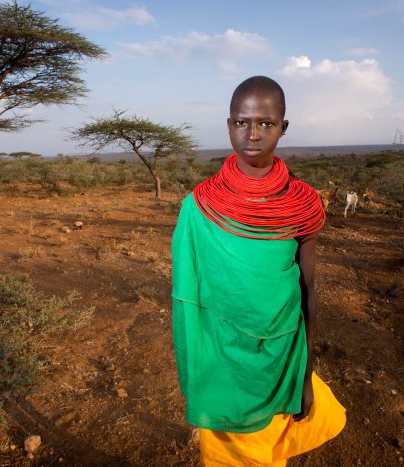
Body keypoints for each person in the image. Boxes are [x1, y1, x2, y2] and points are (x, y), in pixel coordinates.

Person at [171, 76, 346, 466]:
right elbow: (191, 297)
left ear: (283, 128)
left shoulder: (302, 203)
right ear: (229, 124)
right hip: (222, 356)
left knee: (269, 444)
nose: (253, 133)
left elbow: (308, 290)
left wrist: (305, 373)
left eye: (266, 123)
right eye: (241, 122)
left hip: (282, 352)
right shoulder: (199, 206)